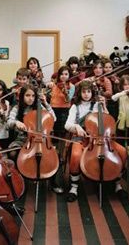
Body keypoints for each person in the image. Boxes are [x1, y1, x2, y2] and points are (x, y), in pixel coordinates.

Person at [64, 81, 128, 202]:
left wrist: (103, 107)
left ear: (92, 92)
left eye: (89, 92)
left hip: (102, 138)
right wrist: (76, 127)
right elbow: (67, 125)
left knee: (123, 152)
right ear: (80, 93)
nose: (86, 94)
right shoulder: (75, 106)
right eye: (84, 92)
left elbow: (108, 121)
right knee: (76, 155)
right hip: (81, 137)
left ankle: (117, 184)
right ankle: (74, 187)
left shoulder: (96, 105)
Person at [6, 85, 56, 161]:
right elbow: (9, 123)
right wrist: (16, 122)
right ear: (22, 96)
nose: (31, 98)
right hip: (21, 141)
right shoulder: (17, 108)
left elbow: (53, 118)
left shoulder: (39, 107)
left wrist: (46, 103)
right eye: (27, 95)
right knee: (12, 154)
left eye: (33, 96)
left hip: (40, 140)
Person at [47, 65, 75, 193]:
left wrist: (65, 91)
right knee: (52, 138)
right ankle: (52, 154)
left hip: (64, 112)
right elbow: (48, 98)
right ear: (58, 75)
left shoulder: (71, 86)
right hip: (53, 112)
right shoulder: (53, 85)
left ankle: (61, 155)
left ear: (69, 76)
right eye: (62, 74)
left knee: (63, 138)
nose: (64, 76)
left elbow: (69, 99)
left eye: (66, 74)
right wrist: (49, 86)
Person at [111, 75, 129, 147]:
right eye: (125, 85)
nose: (127, 87)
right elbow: (113, 98)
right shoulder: (121, 94)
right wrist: (124, 92)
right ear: (121, 85)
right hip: (122, 117)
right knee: (121, 137)